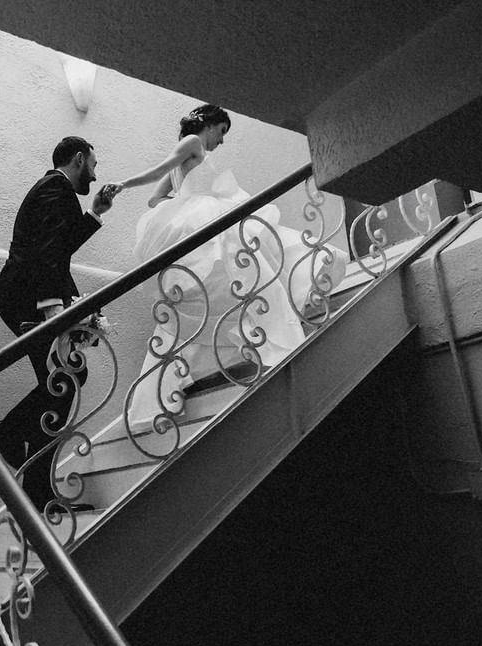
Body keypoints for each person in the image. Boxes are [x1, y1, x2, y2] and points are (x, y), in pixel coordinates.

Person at [111, 104, 345, 428]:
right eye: (221, 132)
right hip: (206, 219)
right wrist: (130, 186)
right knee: (251, 270)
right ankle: (273, 339)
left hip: (205, 217)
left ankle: (254, 339)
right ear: (208, 125)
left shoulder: (191, 152)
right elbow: (157, 175)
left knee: (245, 273)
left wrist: (183, 200)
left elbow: (156, 200)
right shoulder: (192, 143)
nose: (221, 141)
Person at [0, 136, 117, 512]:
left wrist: (96, 212)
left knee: (61, 383)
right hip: (30, 302)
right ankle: (7, 435)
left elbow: (59, 246)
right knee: (64, 381)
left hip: (28, 299)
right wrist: (50, 313)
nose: (95, 175)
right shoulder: (55, 190)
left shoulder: (57, 192)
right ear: (79, 159)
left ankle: (36, 486)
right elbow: (47, 254)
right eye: (93, 165)